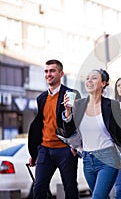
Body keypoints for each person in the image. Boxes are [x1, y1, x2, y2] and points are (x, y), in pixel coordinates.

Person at [62, 69, 121, 199]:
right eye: (87, 78)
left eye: (94, 78)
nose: (89, 81)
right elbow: (68, 131)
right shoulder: (78, 105)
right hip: (87, 160)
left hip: (108, 159)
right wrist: (67, 111)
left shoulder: (112, 105)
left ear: (103, 83)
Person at [28, 59, 80, 199]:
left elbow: (77, 123)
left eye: (52, 71)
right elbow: (40, 125)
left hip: (65, 150)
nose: (48, 74)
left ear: (61, 73)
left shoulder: (71, 94)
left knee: (70, 190)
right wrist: (34, 153)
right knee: (38, 189)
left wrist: (74, 146)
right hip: (44, 150)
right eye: (46, 71)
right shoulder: (41, 98)